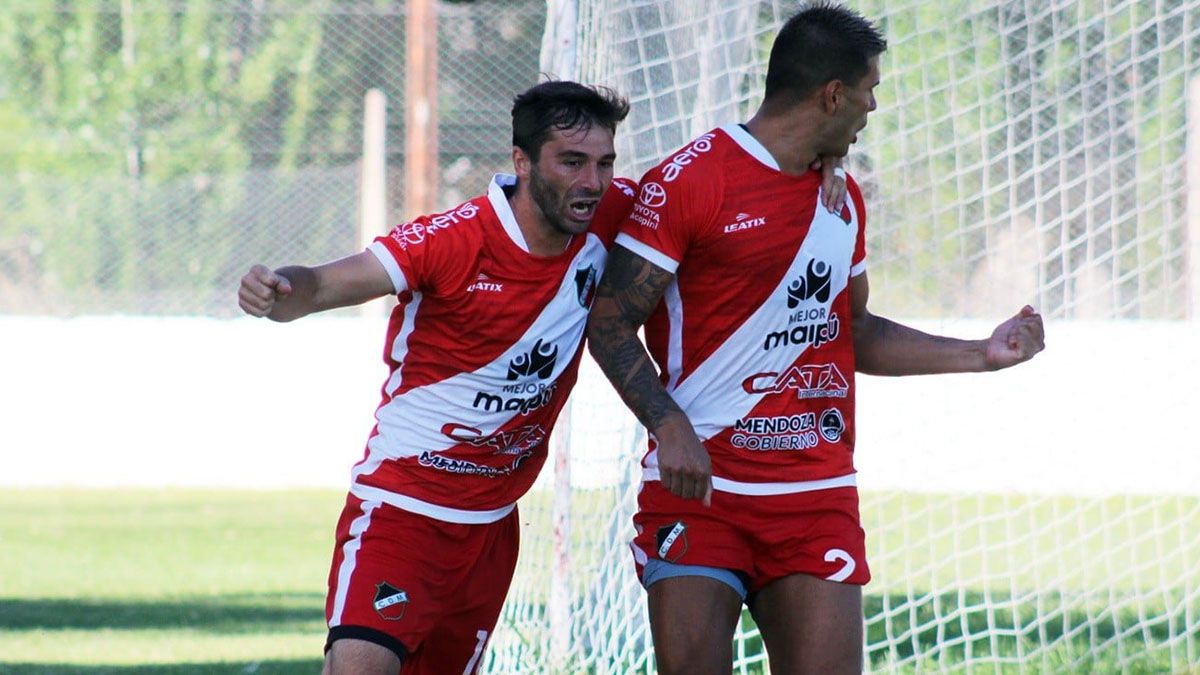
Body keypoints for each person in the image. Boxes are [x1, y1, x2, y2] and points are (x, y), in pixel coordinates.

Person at [585, 3, 1046, 675]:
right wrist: (669, 425)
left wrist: (982, 353)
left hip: (814, 496)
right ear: (833, 95)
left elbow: (855, 330)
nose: (872, 107)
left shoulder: (842, 198)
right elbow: (608, 320)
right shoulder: (692, 180)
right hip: (700, 490)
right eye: (869, 90)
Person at [237, 80, 635, 675]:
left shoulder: (612, 216)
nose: (592, 182)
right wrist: (279, 290)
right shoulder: (454, 239)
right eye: (572, 162)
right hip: (403, 510)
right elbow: (323, 285)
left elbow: (698, 194)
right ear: (522, 162)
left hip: (491, 529)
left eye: (604, 163)